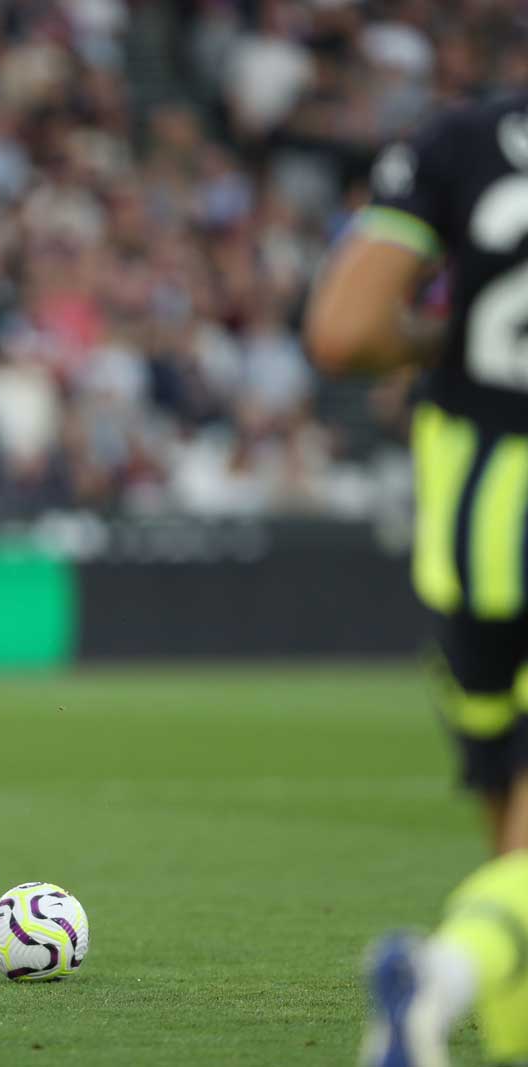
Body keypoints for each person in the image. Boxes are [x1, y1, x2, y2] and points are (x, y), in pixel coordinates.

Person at [306, 95, 528, 1066]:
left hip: (473, 528)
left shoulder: (460, 140)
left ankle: (452, 1000)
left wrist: (449, 337)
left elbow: (345, 332)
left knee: (512, 821)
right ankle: (435, 980)